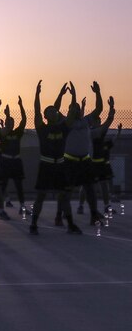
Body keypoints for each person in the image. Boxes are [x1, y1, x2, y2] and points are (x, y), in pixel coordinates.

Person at [29, 81, 81, 235]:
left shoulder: (63, 127)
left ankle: (70, 224)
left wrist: (73, 95)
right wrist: (37, 94)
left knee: (64, 196)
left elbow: (72, 112)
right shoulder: (41, 128)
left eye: (54, 111)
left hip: (60, 166)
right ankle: (33, 224)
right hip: (46, 165)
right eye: (50, 111)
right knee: (41, 196)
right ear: (45, 116)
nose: (53, 112)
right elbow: (36, 110)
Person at [60, 82, 108, 226]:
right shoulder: (66, 122)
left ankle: (93, 214)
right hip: (70, 161)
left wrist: (98, 92)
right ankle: (66, 214)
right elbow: (57, 109)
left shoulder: (86, 120)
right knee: (68, 190)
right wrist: (68, 96)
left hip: (85, 161)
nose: (75, 110)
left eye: (77, 108)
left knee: (90, 189)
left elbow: (99, 108)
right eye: (72, 108)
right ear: (69, 111)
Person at [0, 97, 28, 215]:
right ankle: (0, 208)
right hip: (5, 162)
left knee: (19, 186)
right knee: (3, 186)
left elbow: (24, 119)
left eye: (11, 122)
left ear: (14, 124)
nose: (10, 124)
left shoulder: (17, 133)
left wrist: (21, 105)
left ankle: (22, 207)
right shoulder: (2, 134)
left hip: (16, 162)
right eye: (8, 122)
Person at [80, 122, 121, 214]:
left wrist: (118, 132)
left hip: (102, 166)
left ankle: (107, 206)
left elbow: (113, 139)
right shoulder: (90, 138)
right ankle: (81, 205)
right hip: (91, 165)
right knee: (86, 186)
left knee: (104, 185)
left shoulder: (104, 141)